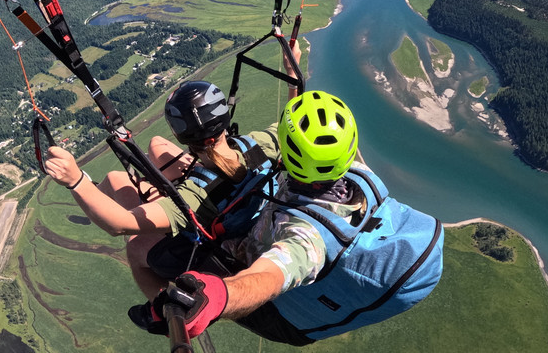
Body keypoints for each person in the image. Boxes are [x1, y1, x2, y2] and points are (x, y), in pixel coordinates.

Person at [139, 90, 445, 346]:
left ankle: (168, 316)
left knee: (139, 250)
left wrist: (218, 296)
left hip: (283, 318)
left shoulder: (306, 238)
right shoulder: (355, 173)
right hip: (288, 252)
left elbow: (269, 279)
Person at [44, 60, 300, 301]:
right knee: (156, 145)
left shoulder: (193, 198)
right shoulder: (260, 144)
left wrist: (76, 181)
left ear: (181, 135)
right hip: (250, 209)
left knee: (131, 235)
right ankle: (136, 194)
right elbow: (295, 124)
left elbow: (119, 224)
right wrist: (292, 76)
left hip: (213, 233)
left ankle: (164, 310)